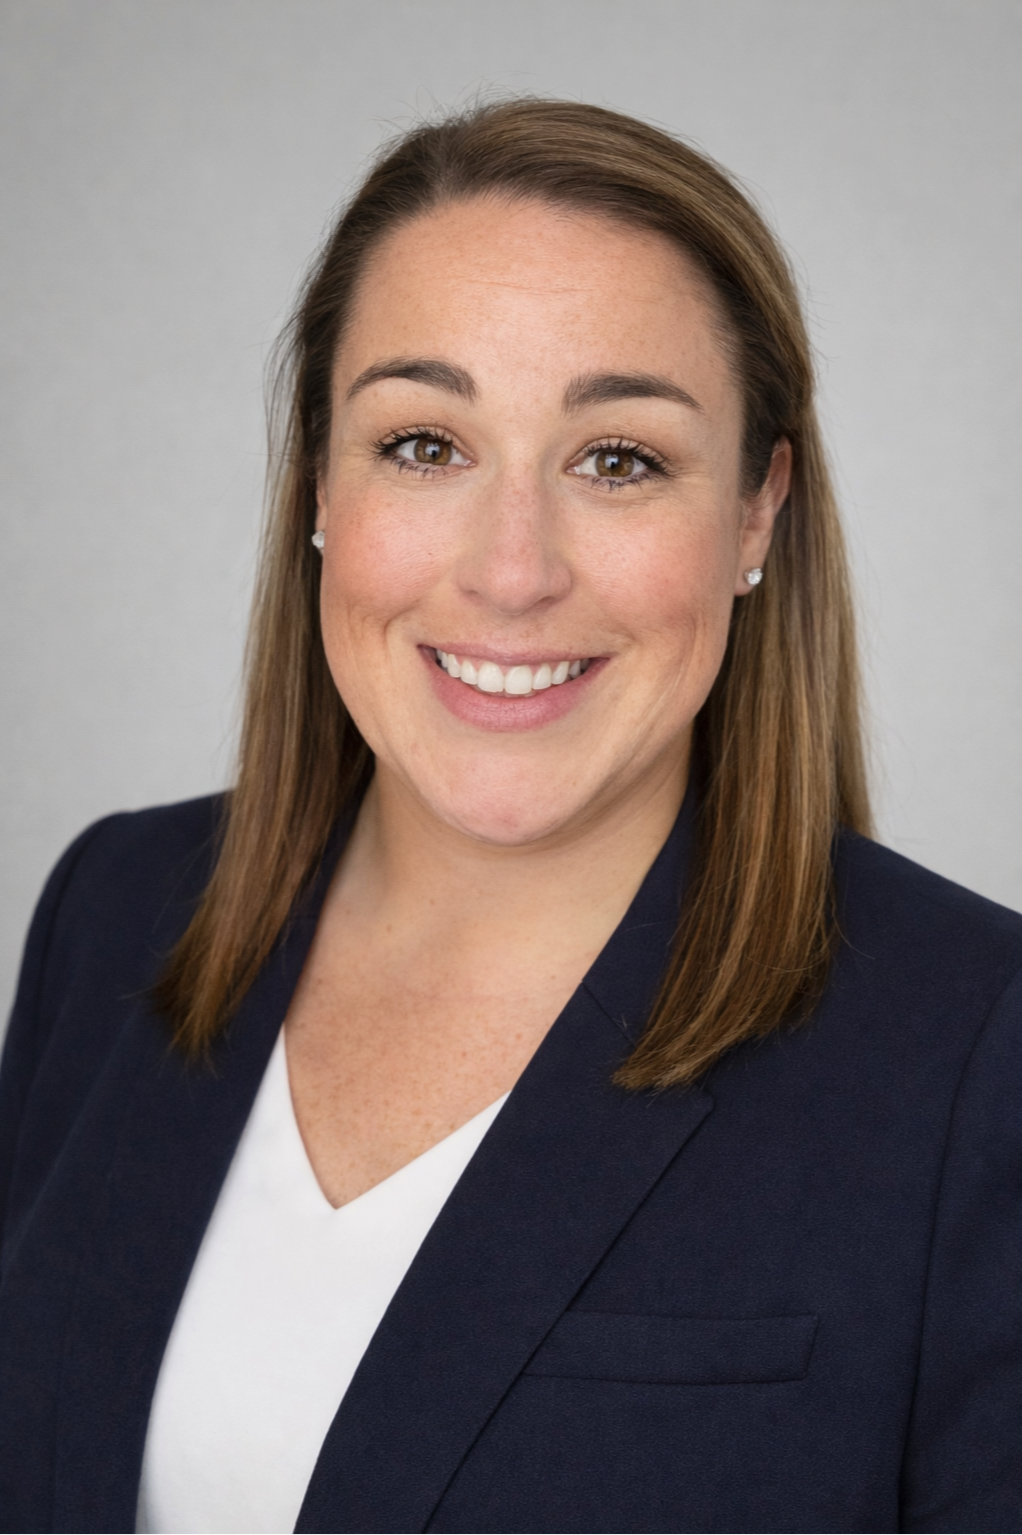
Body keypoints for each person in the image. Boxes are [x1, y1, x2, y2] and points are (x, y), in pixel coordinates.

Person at [1, 97, 1019, 1535]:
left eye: (617, 459)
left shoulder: (977, 1047)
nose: (511, 569)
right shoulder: (117, 907)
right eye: (425, 444)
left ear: (753, 513)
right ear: (315, 486)